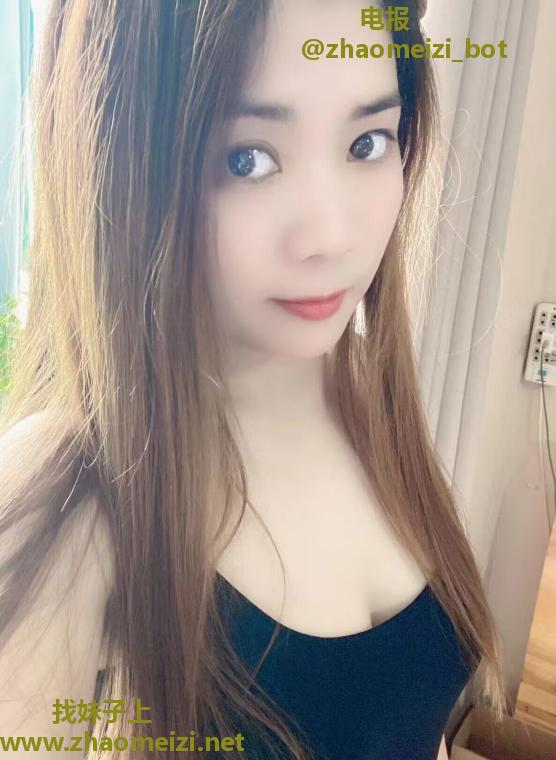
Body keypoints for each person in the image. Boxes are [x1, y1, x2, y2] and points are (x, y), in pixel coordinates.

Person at [0, 0, 508, 758]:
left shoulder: (371, 411)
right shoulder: (68, 499)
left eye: (367, 143)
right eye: (248, 160)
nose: (330, 235)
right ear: (125, 169)